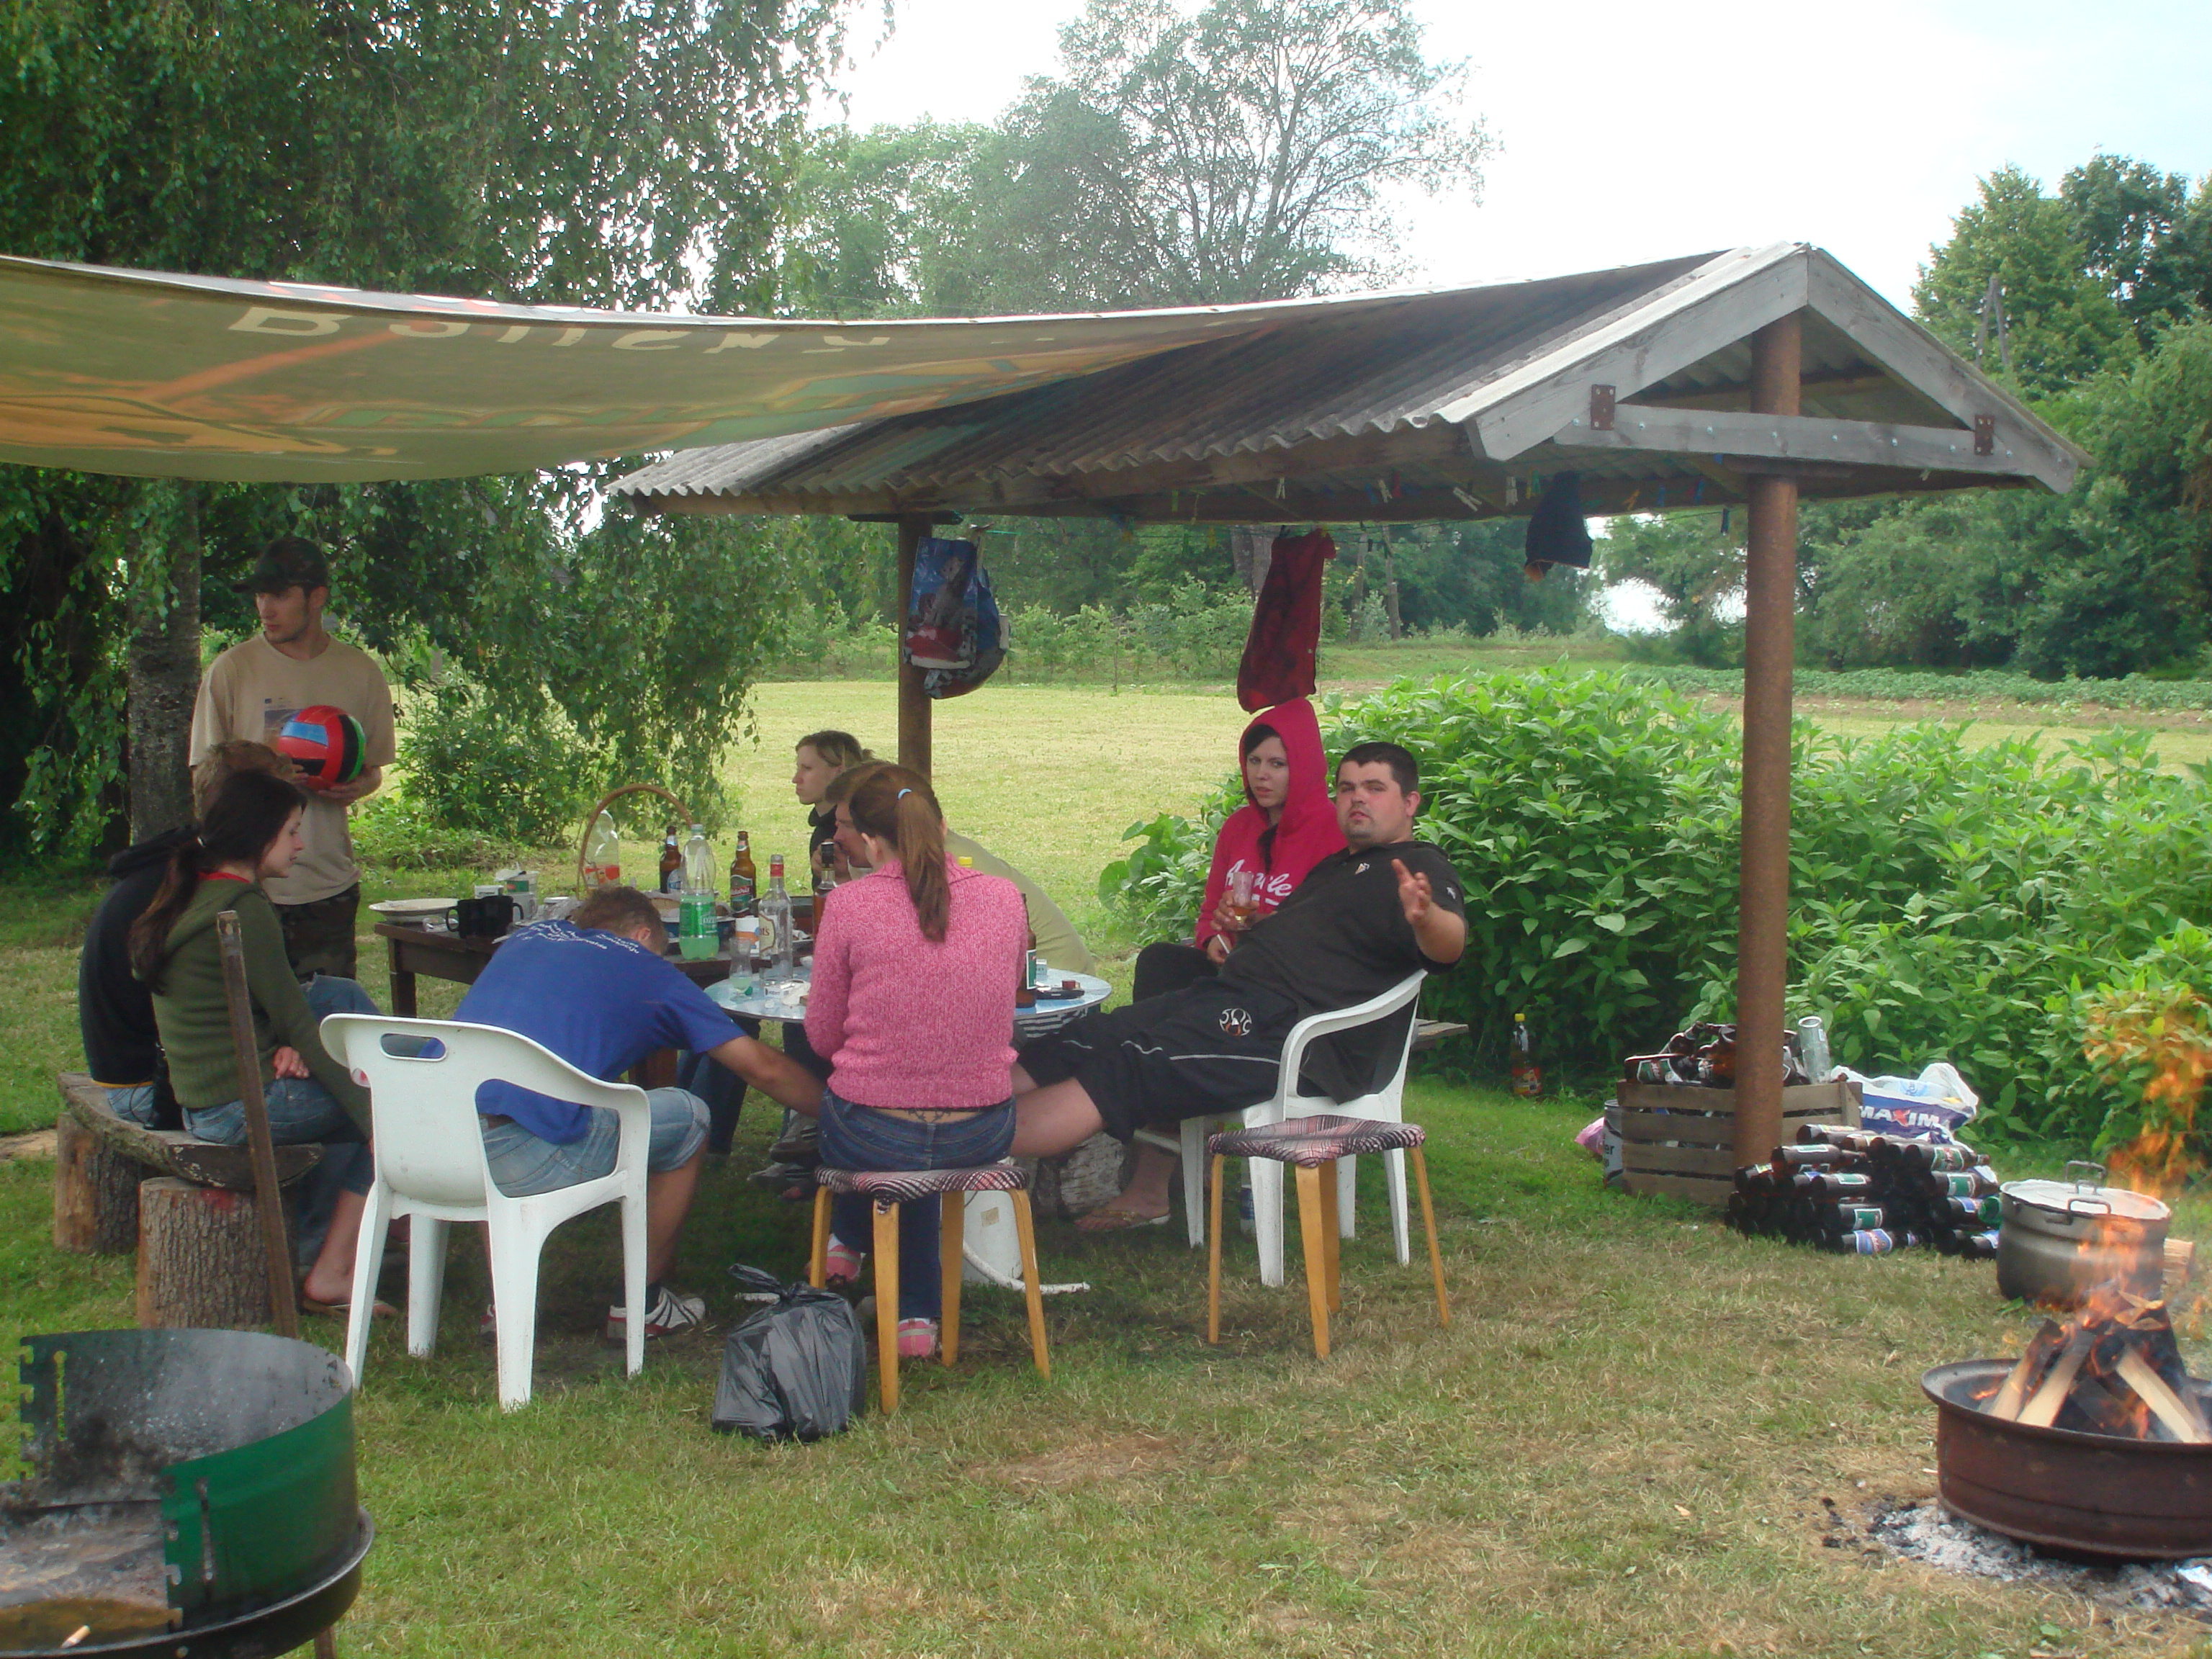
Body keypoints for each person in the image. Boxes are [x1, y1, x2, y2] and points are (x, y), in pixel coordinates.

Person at [1010, 744, 1467, 1211]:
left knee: (1131, 1064)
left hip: (1292, 1035)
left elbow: (1449, 947)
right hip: (1232, 998)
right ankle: (966, 1111)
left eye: (1374, 788)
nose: (1357, 799)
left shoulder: (1419, 867)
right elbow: (1305, 939)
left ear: (1410, 802)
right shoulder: (1338, 868)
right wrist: (1253, 927)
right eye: (1347, 788)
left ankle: (975, 1143)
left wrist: (1426, 916)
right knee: (1091, 1035)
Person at [454, 885, 827, 1339]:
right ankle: (641, 1303)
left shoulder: (526, 939)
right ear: (644, 934)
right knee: (689, 1116)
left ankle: (506, 1302)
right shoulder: (645, 969)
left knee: (499, 1099)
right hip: (519, 1159)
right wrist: (842, 1115)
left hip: (429, 1143)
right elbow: (762, 1068)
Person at [1082, 699, 1341, 1229]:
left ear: (1306, 766)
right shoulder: (1240, 827)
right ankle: (1161, 1166)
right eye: (1255, 761)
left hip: (1286, 991)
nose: (1262, 775)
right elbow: (1209, 911)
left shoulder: (1330, 833)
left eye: (1278, 763)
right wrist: (1213, 940)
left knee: (1183, 1027)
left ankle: (1156, 1180)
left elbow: (1324, 932)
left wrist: (1260, 930)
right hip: (1231, 972)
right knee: (1161, 965)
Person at [129, 768, 381, 1312]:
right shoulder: (244, 910)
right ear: (258, 834)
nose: (300, 845)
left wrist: (277, 1046)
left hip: (203, 1100)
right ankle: (332, 1269)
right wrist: (372, 1120)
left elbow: (240, 1008)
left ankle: (327, 1243)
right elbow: (297, 1021)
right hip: (238, 1109)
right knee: (398, 1110)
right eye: (292, 831)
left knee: (336, 999)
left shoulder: (191, 894)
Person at [805, 765, 1028, 1360]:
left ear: (871, 843)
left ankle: (850, 1237)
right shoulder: (1004, 898)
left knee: (884, 1122)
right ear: (941, 825)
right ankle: (915, 1317)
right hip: (982, 1128)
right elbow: (1007, 998)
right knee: (920, 1125)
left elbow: (822, 1037)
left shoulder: (849, 905)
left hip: (873, 1131)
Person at [190, 537, 395, 980]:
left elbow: (374, 770)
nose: (265, 609)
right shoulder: (231, 670)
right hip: (245, 887)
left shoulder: (359, 672)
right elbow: (202, 780)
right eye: (260, 595)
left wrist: (358, 785)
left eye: (279, 595)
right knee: (251, 1016)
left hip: (326, 883)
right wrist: (269, 778)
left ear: (316, 597)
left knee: (324, 1012)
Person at [80, 741, 299, 1126]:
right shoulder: (197, 882)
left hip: (154, 1070)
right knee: (342, 1079)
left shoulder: (188, 859)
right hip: (153, 1086)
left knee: (334, 1001)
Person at [792, 729, 873, 883]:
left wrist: (841, 878)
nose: (796, 779)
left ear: (839, 771)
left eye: (807, 768)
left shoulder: (857, 831)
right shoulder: (823, 827)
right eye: (798, 768)